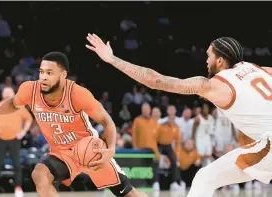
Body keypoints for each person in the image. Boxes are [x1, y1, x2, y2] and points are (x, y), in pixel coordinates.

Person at [86, 33, 272, 197]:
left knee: (205, 178)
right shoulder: (258, 69)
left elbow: (154, 80)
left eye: (209, 56)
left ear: (221, 61)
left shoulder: (215, 85)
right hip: (266, 142)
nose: (206, 60)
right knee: (206, 177)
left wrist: (112, 59)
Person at [0, 52, 147, 197]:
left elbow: (106, 121)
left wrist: (111, 149)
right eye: (41, 72)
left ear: (63, 75)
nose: (43, 77)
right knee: (39, 174)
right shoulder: (30, 90)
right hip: (61, 153)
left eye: (50, 73)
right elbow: (13, 103)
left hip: (88, 149)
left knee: (128, 194)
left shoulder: (78, 94)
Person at [0, 86, 33, 197]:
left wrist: (23, 131)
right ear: (2, 94)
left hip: (15, 139)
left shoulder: (19, 107)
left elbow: (29, 119)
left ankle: (18, 188)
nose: (7, 94)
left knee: (17, 164)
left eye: (9, 92)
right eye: (5, 92)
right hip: (0, 139)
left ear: (13, 94)